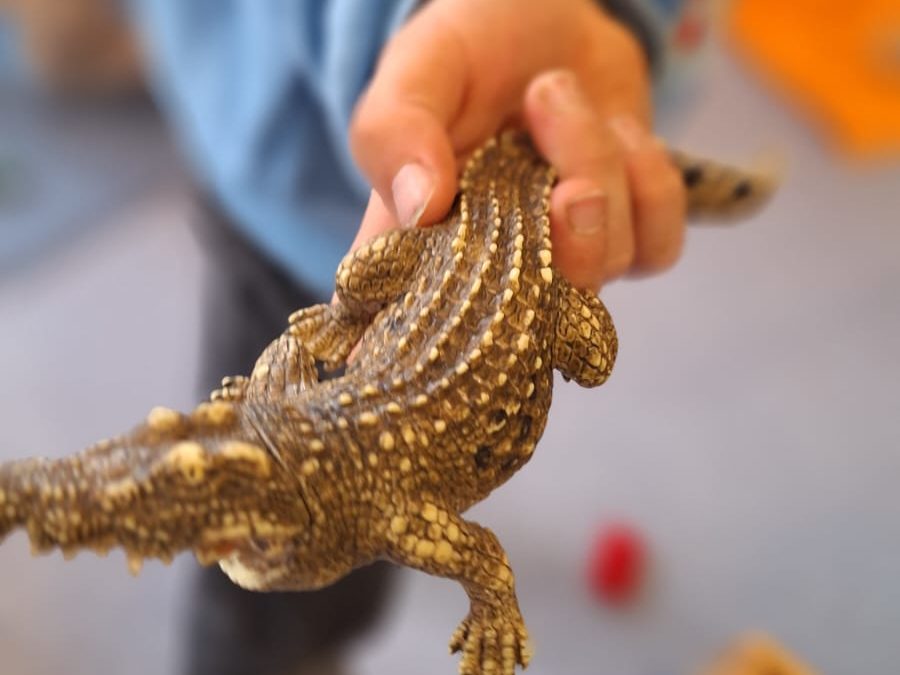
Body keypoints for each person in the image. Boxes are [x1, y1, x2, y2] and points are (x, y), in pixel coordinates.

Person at [117, 1, 703, 674]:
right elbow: (479, 558)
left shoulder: (394, 517)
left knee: (281, 617)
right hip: (296, 145)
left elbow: (481, 559)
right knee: (267, 614)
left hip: (456, 161)